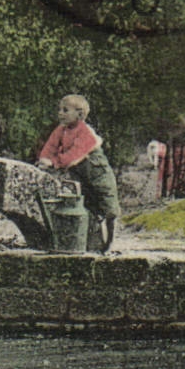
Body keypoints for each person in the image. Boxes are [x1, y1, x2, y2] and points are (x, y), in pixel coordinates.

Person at [36, 94, 122, 252]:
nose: (60, 113)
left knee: (109, 208)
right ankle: (91, 243)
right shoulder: (61, 130)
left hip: (98, 174)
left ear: (80, 114)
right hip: (80, 176)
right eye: (59, 109)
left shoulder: (85, 132)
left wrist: (54, 163)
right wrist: (44, 159)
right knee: (86, 206)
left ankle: (110, 243)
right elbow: (50, 147)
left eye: (65, 110)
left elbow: (74, 155)